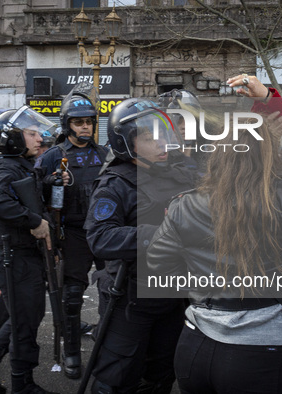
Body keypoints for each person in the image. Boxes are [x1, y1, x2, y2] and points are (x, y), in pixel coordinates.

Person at [145, 75, 282, 394]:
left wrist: (206, 290)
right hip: (261, 350)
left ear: (218, 154)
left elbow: (159, 264)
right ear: (270, 154)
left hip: (195, 345)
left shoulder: (185, 206)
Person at [84, 97, 198, 394]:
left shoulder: (181, 173)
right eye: (148, 137)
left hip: (174, 295)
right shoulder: (115, 184)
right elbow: (100, 237)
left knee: (162, 372)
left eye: (162, 133)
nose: (160, 143)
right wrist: (159, 235)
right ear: (127, 144)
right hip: (130, 299)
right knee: (117, 377)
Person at [0, 106, 56, 394]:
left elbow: (26, 195)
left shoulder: (21, 165)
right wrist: (35, 222)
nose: (39, 138)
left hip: (23, 257)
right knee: (24, 323)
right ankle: (20, 384)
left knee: (24, 318)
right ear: (13, 138)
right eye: (31, 134)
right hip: (12, 257)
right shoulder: (6, 167)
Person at [36, 91, 108, 379]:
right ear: (67, 125)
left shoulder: (105, 154)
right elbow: (34, 195)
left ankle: (109, 348)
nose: (85, 127)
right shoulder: (54, 156)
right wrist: (49, 182)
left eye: (89, 122)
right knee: (72, 297)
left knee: (112, 292)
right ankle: (72, 353)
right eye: (78, 122)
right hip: (73, 234)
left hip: (104, 232)